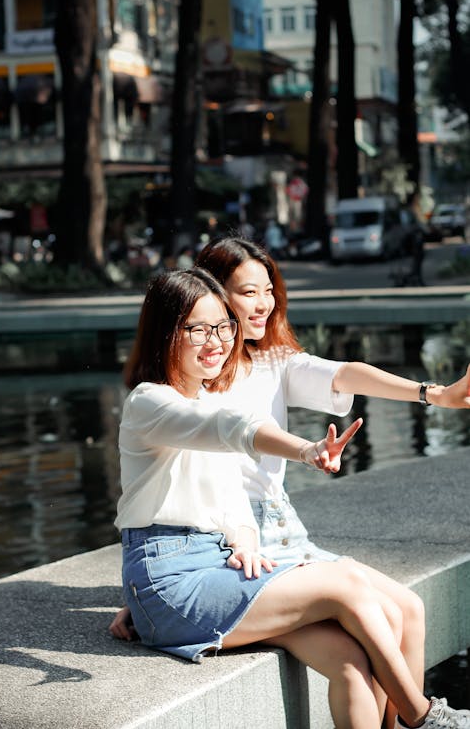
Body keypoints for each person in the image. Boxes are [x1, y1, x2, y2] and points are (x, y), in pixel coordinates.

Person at [113, 265, 470, 729]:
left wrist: (243, 539)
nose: (216, 340)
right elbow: (233, 431)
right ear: (165, 332)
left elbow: (231, 498)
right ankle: (424, 716)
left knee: (349, 660)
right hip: (172, 581)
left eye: (223, 325)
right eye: (198, 329)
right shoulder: (149, 402)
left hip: (219, 566)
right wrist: (307, 450)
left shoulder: (209, 399)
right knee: (347, 585)